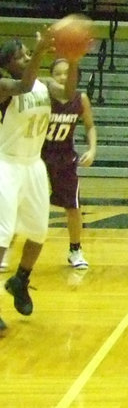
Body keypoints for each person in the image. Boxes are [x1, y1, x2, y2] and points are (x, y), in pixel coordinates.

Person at [0, 31, 80, 330]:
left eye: (26, 54)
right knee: (3, 233)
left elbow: (69, 94)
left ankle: (20, 280)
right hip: (6, 165)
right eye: (19, 56)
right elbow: (22, 85)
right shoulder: (5, 86)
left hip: (34, 164)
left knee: (38, 232)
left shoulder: (45, 85)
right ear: (8, 63)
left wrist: (72, 61)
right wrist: (40, 52)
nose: (25, 58)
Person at [43, 57, 98, 269]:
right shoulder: (44, 96)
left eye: (67, 72)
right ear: (51, 77)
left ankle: (75, 250)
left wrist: (92, 149)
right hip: (39, 155)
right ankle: (6, 248)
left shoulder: (80, 99)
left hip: (65, 157)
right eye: (58, 73)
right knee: (18, 203)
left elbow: (90, 126)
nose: (63, 77)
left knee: (73, 206)